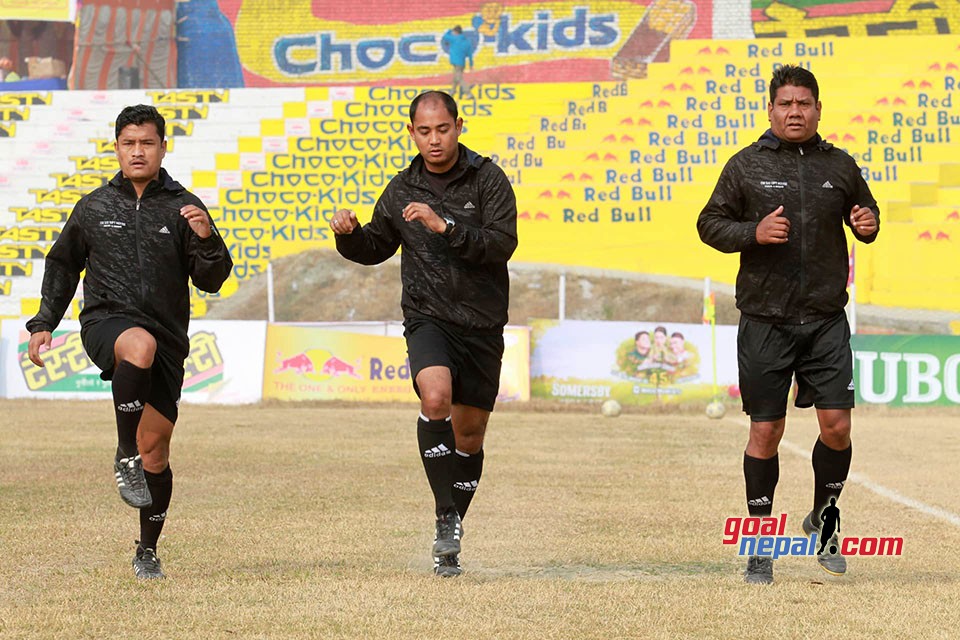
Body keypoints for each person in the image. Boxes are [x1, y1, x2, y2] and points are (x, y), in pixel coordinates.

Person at [26, 104, 233, 580]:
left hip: (168, 340)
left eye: (147, 143)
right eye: (128, 143)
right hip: (107, 325)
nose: (137, 152)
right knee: (136, 345)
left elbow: (213, 280)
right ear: (116, 147)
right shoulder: (94, 207)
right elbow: (62, 265)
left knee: (157, 449)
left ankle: (147, 550)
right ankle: (124, 454)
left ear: (163, 147)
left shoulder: (184, 206)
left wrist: (205, 238)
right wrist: (44, 322)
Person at [697, 65, 879, 585]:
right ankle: (759, 543)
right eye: (785, 103)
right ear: (771, 110)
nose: (795, 111)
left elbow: (864, 213)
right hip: (765, 319)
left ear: (819, 109)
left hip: (824, 319)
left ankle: (824, 522)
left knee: (838, 428)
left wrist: (867, 224)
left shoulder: (839, 165)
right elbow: (709, 224)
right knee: (766, 430)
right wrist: (752, 231)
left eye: (804, 103)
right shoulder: (745, 166)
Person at [330, 90, 517, 578]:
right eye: (424, 130)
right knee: (435, 397)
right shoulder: (400, 188)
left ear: (459, 125)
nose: (434, 139)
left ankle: (449, 537)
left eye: (442, 128)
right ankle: (444, 514)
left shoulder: (488, 179)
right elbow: (375, 246)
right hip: (428, 317)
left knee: (470, 436)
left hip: (481, 323)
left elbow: (500, 245)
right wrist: (349, 234)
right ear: (411, 132)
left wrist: (445, 224)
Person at [441, 26, 475, 99]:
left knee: (459, 78)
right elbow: (470, 55)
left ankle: (468, 93)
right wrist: (471, 64)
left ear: (456, 32)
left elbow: (445, 36)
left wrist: (449, 30)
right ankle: (452, 92)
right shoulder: (466, 41)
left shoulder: (454, 38)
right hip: (462, 63)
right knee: (455, 77)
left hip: (456, 62)